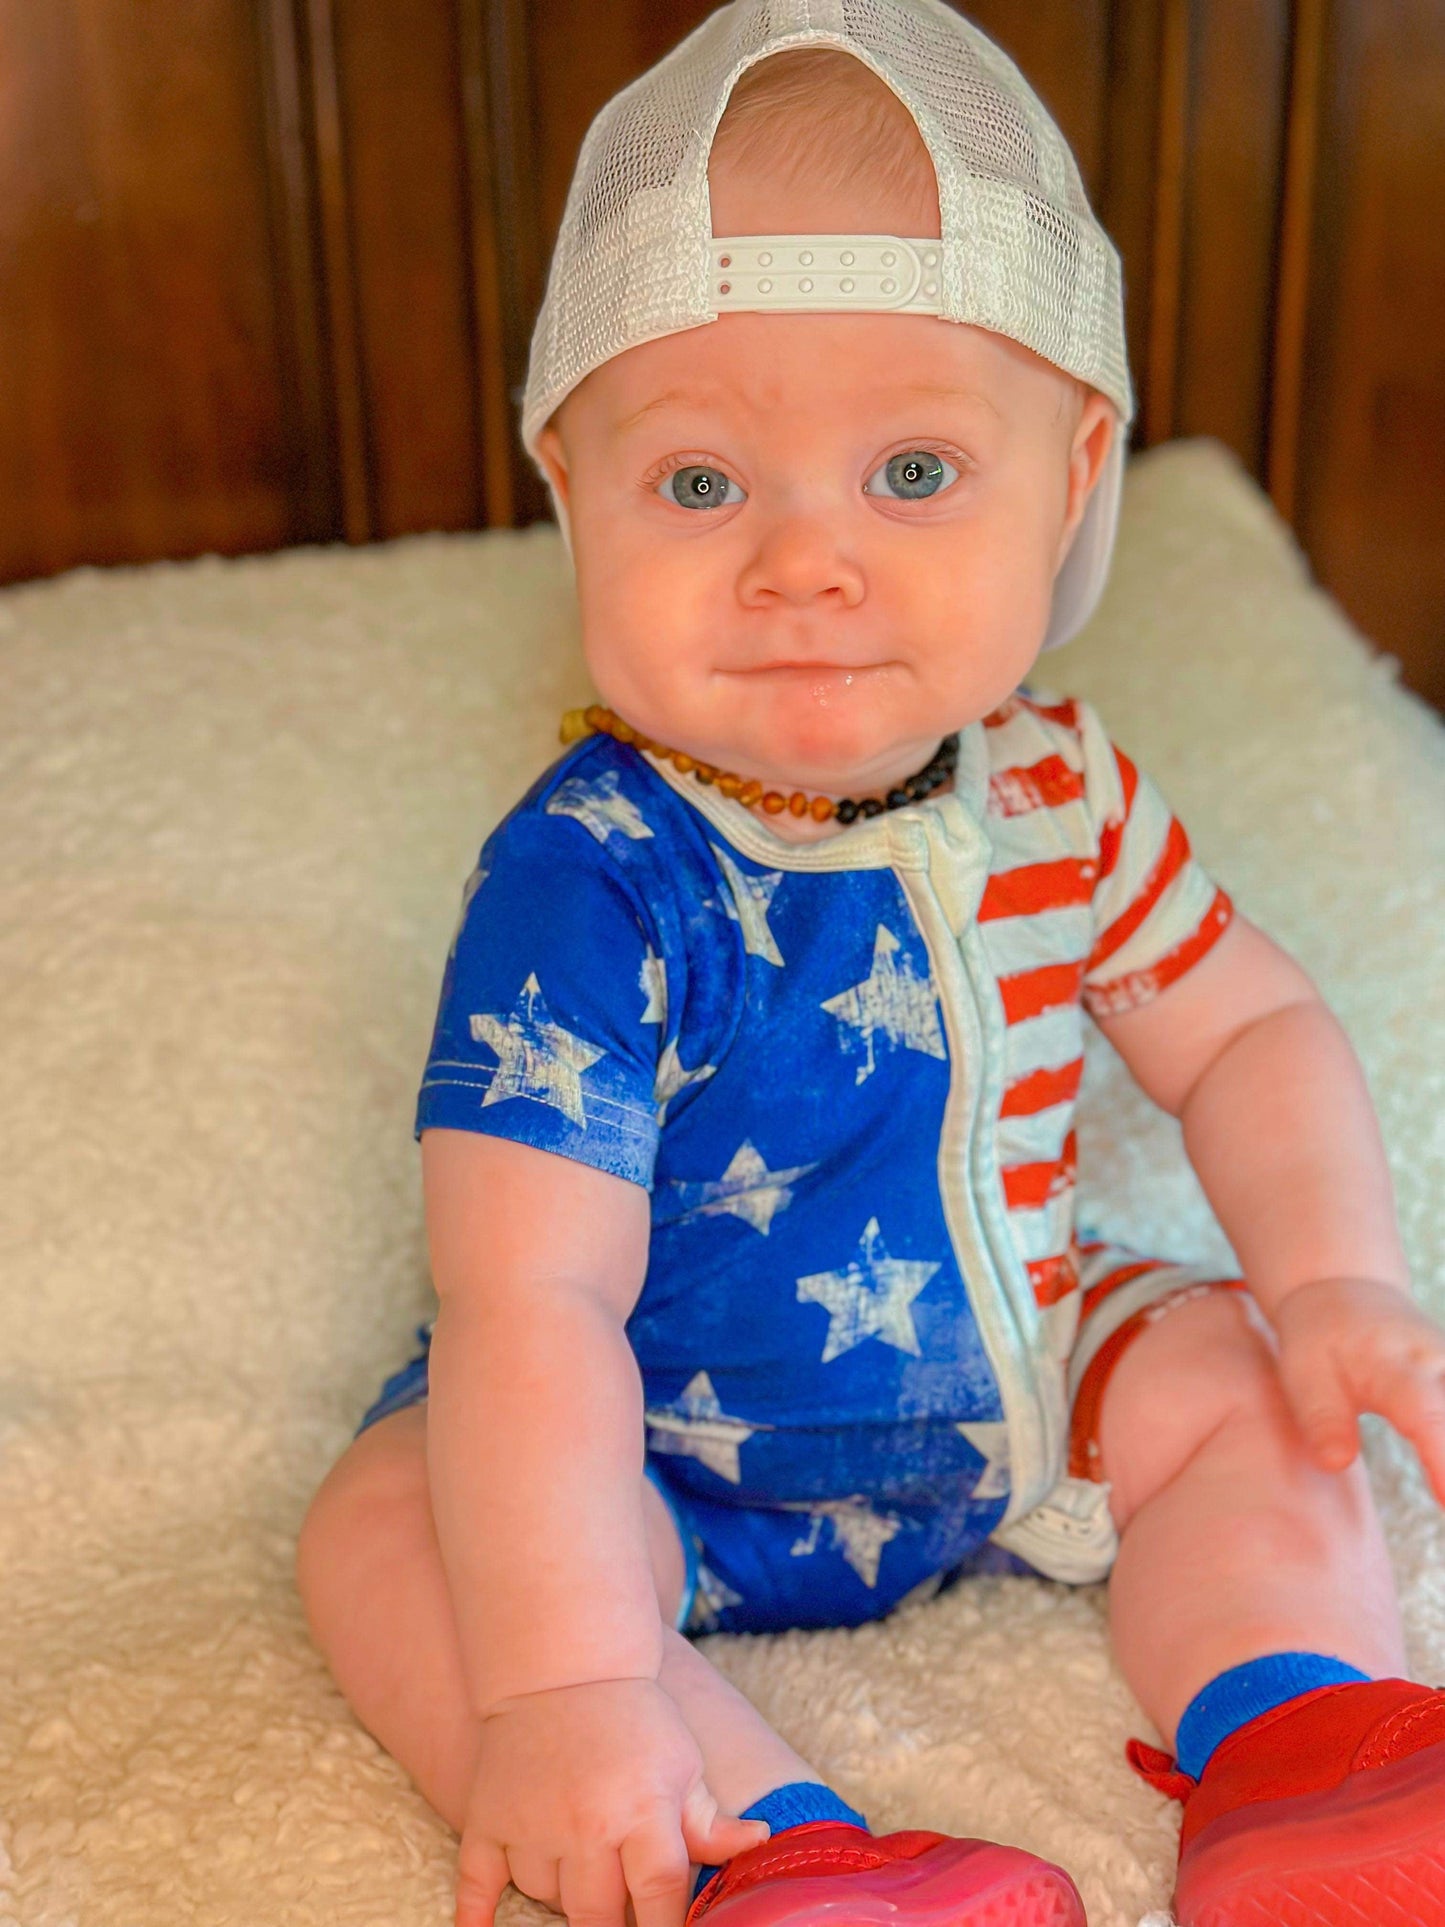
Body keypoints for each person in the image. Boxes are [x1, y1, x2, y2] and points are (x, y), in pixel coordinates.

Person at [295, 7, 1445, 1924]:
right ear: (567, 491)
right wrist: (567, 1676)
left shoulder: (1061, 789)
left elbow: (1243, 1030)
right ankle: (780, 1852)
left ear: (1073, 479)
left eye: (911, 476)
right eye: (695, 487)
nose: (804, 564)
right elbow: (533, 1303)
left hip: (1013, 1384)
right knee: (392, 1536)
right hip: (649, 1446)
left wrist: (1334, 1279)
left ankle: (1301, 1739)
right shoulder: (592, 876)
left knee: (1244, 1374)